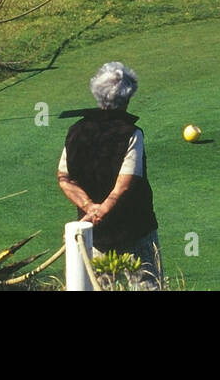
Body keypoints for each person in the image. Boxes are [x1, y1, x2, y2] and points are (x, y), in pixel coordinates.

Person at [56, 62, 163, 289]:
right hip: (134, 231)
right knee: (146, 285)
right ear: (128, 97)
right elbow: (125, 184)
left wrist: (89, 208)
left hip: (93, 235)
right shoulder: (132, 133)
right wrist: (99, 211)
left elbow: (65, 178)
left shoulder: (76, 130)